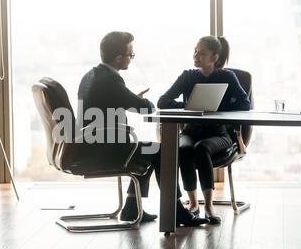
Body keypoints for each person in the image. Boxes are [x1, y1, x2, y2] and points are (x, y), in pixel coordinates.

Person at [78, 31, 208, 226]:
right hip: (104, 150)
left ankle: (131, 207)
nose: (131, 58)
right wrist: (140, 101)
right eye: (131, 55)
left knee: (149, 150)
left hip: (91, 145)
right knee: (162, 151)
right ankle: (176, 211)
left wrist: (129, 101)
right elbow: (145, 107)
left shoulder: (93, 75)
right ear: (118, 58)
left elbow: (114, 101)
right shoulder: (111, 80)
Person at [158, 36, 251, 224]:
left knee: (201, 148)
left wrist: (217, 107)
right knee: (184, 148)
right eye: (195, 51)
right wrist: (189, 106)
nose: (196, 56)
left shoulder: (227, 77)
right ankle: (193, 204)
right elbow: (163, 101)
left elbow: (245, 104)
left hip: (218, 134)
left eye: (202, 53)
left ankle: (208, 206)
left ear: (214, 57)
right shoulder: (188, 76)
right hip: (190, 132)